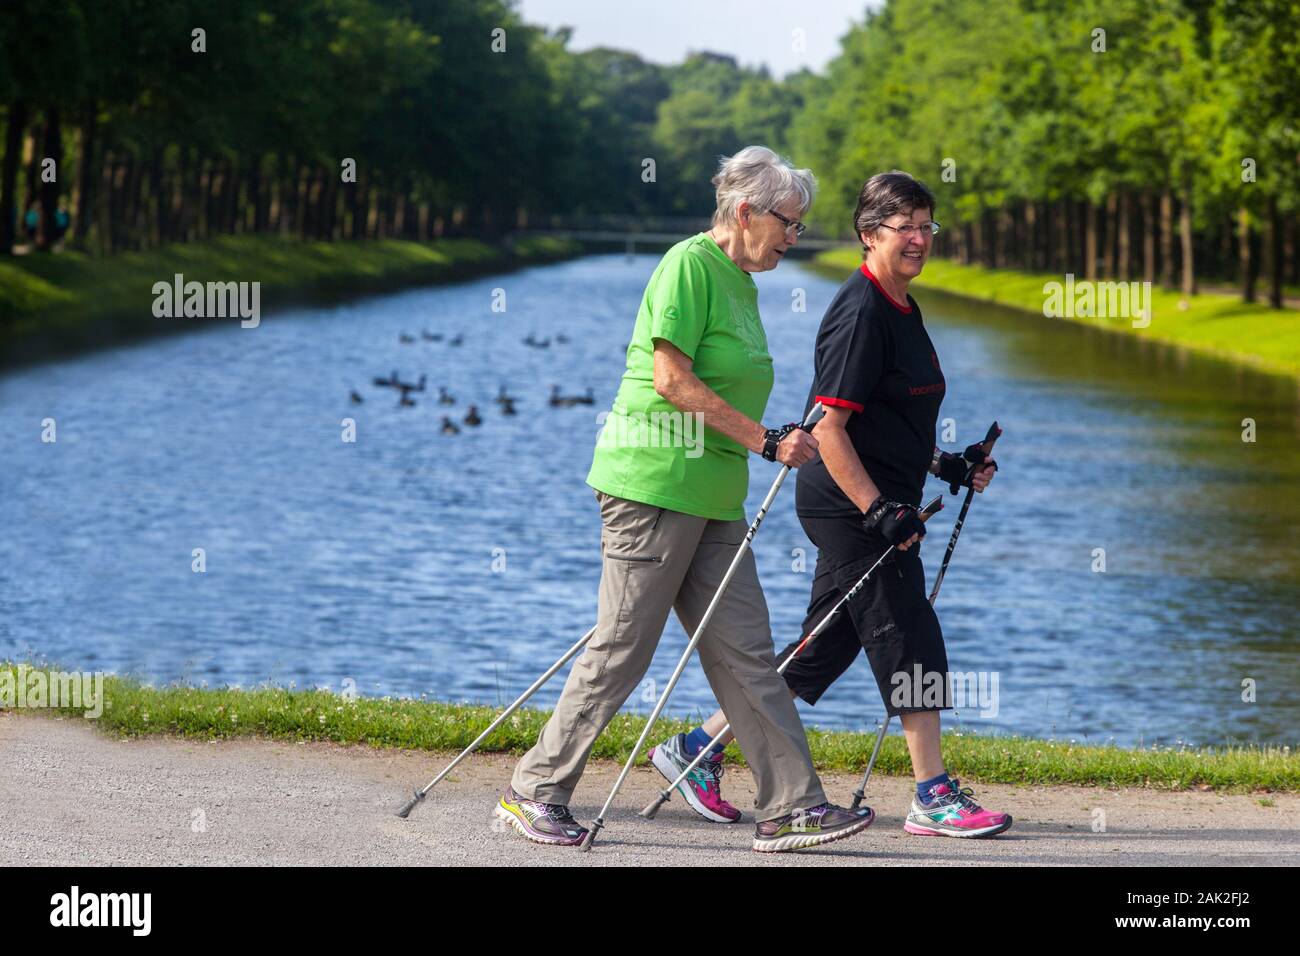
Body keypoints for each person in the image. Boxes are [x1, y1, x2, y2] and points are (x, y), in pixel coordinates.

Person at [496, 146, 876, 852]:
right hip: (653, 487)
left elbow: (722, 387)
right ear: (745, 212)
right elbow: (671, 379)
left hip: (713, 498)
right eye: (789, 223)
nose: (795, 238)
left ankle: (790, 805)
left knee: (747, 654)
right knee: (623, 647)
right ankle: (534, 792)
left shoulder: (741, 283)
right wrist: (765, 442)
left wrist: (777, 435)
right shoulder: (688, 265)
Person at [653, 171, 1013, 838]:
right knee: (913, 637)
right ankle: (932, 794)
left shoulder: (902, 305)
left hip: (874, 496)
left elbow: (888, 423)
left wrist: (949, 465)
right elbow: (828, 429)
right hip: (850, 505)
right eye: (903, 226)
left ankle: (696, 750)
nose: (918, 238)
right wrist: (880, 510)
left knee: (824, 644)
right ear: (868, 234)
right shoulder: (862, 312)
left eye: (926, 226)